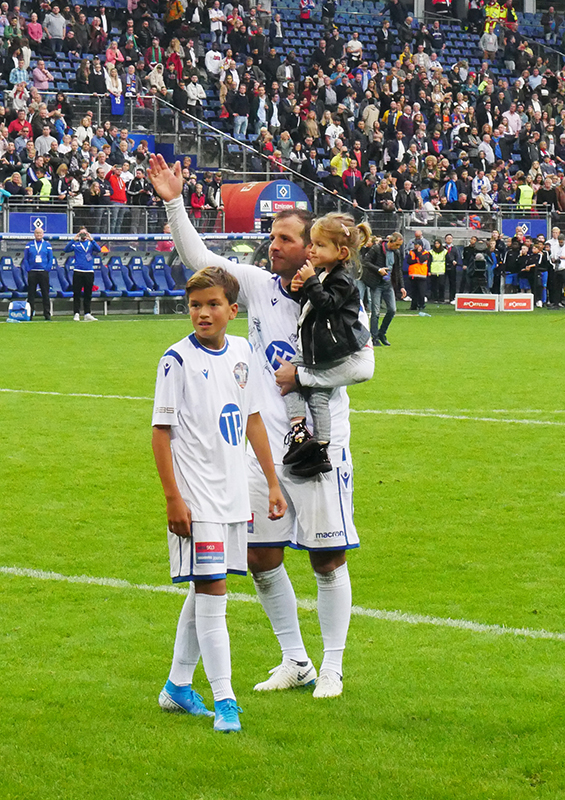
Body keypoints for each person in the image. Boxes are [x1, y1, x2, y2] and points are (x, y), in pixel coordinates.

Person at [148, 154, 374, 699]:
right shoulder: (257, 285)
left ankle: (334, 666)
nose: (274, 245)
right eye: (272, 236)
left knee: (327, 557)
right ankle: (295, 660)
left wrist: (306, 374)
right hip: (261, 453)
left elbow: (363, 365)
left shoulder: (340, 295)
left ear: (313, 248)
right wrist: (175, 202)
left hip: (319, 447)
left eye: (287, 239)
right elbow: (199, 257)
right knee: (260, 556)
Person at [152, 266, 286, 734]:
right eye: (195, 305)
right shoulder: (176, 360)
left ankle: (177, 687)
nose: (203, 313)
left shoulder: (244, 353)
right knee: (215, 595)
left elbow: (252, 421)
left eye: (212, 305)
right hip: (198, 501)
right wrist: (174, 499)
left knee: (203, 588)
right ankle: (226, 699)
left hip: (233, 498)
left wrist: (270, 482)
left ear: (233, 310)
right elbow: (160, 433)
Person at [281, 214, 371, 477]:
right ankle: (317, 443)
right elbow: (311, 304)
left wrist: (309, 281)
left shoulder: (343, 279)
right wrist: (301, 288)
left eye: (320, 245)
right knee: (315, 394)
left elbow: (327, 304)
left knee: (291, 381)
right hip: (320, 348)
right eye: (312, 244)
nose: (312, 250)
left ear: (341, 252)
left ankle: (306, 435)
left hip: (331, 349)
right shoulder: (324, 274)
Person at [361, 232, 405, 346]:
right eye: (397, 245)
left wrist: (402, 287)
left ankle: (382, 333)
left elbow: (398, 269)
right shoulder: (377, 249)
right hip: (376, 284)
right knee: (375, 312)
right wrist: (378, 270)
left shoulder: (396, 252)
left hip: (388, 284)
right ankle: (374, 337)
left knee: (392, 310)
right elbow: (365, 262)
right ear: (391, 242)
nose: (398, 247)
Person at [64, 227, 102, 321]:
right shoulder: (76, 244)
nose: (83, 236)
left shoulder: (90, 244)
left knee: (88, 293)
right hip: (78, 271)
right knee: (76, 293)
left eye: (85, 233)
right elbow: (66, 249)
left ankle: (87, 313)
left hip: (89, 271)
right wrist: (74, 239)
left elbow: (99, 250)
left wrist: (92, 239)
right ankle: (76, 313)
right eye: (81, 234)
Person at [22, 226, 53, 320]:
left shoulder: (47, 245)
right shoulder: (29, 245)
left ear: (43, 234)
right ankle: (30, 314)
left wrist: (47, 268)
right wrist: (28, 269)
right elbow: (26, 258)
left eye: (40, 233)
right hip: (33, 272)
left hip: (43, 272)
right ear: (34, 234)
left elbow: (50, 258)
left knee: (45, 293)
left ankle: (47, 314)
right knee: (31, 294)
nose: (38, 235)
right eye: (36, 233)